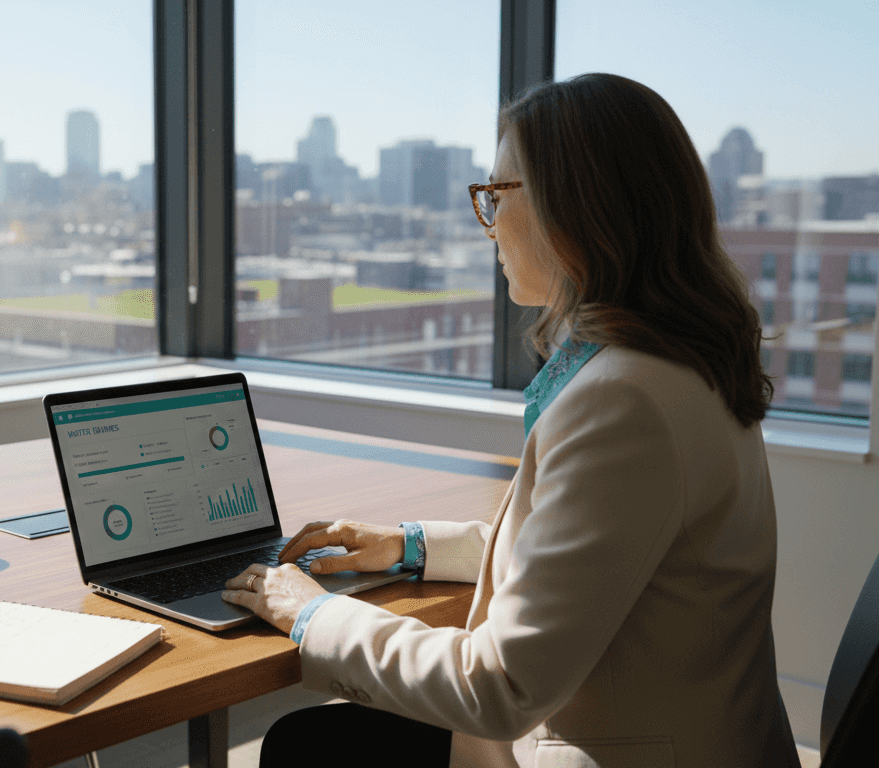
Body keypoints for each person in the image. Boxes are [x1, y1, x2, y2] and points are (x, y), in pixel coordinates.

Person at [220, 72, 801, 768]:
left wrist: (310, 612)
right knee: (314, 740)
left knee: (308, 743)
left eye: (496, 195)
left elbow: (501, 686)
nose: (487, 222)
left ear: (577, 206)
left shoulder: (624, 401)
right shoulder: (680, 363)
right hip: (697, 733)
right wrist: (408, 545)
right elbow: (586, 555)